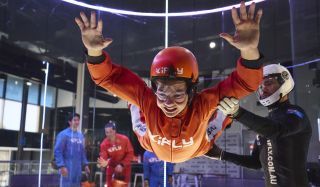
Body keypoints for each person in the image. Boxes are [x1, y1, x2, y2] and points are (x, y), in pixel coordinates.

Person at [75, 2, 264, 163]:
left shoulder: (204, 103)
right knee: (135, 102)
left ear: (192, 92)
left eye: (178, 93)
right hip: (152, 143)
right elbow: (108, 78)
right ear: (154, 88)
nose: (169, 102)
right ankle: (135, 102)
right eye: (162, 93)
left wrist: (249, 50)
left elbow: (246, 83)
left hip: (200, 147)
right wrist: (94, 52)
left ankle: (223, 120)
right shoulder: (148, 99)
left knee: (225, 110)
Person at [206, 64, 319, 187]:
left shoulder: (296, 114)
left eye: (269, 82)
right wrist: (222, 154)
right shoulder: (267, 123)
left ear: (284, 84)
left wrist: (238, 113)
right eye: (261, 84)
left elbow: (276, 131)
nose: (263, 88)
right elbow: (255, 162)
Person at [54, 113, 90, 187]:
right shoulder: (63, 134)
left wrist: (85, 164)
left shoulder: (80, 136)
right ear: (70, 122)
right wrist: (61, 166)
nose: (77, 122)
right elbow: (58, 151)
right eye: (74, 120)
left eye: (78, 120)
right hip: (66, 169)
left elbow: (82, 152)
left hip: (77, 170)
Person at [97, 121, 134, 187]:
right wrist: (102, 162)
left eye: (110, 132)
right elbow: (104, 156)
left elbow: (130, 153)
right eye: (106, 132)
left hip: (125, 167)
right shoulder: (104, 143)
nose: (108, 134)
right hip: (112, 167)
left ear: (114, 131)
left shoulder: (124, 139)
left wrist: (122, 165)